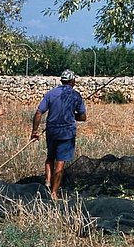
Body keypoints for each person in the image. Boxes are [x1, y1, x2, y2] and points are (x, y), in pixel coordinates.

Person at [31, 70, 86, 200]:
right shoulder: (76, 95)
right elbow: (83, 117)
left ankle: (47, 182)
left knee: (50, 157)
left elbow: (39, 113)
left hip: (52, 131)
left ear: (61, 80)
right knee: (60, 162)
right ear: (72, 81)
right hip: (67, 132)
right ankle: (54, 192)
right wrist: (74, 115)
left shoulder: (51, 94)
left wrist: (34, 131)